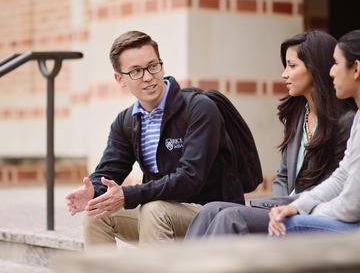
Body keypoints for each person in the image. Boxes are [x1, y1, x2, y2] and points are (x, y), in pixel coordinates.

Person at [65, 30, 245, 247]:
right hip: (161, 215)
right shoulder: (127, 122)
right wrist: (95, 190)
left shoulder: (199, 108)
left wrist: (128, 195)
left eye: (153, 66)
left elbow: (190, 178)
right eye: (136, 71)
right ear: (119, 79)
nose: (148, 77)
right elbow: (109, 171)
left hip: (213, 216)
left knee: (154, 209)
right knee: (96, 214)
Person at [185, 30, 355, 238]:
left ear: (315, 68)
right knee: (210, 209)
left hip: (309, 211)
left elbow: (337, 186)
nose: (284, 74)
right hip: (283, 206)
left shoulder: (346, 122)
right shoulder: (298, 115)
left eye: (292, 66)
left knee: (230, 218)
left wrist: (285, 207)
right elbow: (282, 177)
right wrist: (274, 205)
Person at [269, 30, 360, 235]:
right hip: (317, 209)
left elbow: (352, 205)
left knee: (289, 225)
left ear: (355, 69)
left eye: (336, 63)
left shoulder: (348, 120)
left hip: (348, 221)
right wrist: (296, 206)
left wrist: (305, 210)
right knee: (216, 210)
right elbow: (341, 176)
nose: (331, 72)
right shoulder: (358, 120)